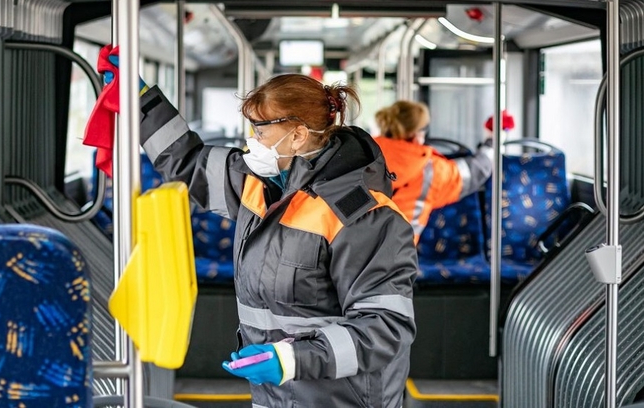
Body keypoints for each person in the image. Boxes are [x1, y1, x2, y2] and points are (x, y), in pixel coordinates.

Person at [87, 48, 418, 408]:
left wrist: (291, 360)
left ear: (297, 135)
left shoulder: (364, 217)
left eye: (260, 130)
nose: (251, 141)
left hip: (343, 397)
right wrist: (141, 102)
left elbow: (385, 328)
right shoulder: (258, 181)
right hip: (276, 393)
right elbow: (187, 162)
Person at [373, 100, 514, 239]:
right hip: (396, 252)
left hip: (356, 249)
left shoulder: (366, 152)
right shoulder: (430, 169)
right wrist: (492, 140)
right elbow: (477, 170)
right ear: (417, 135)